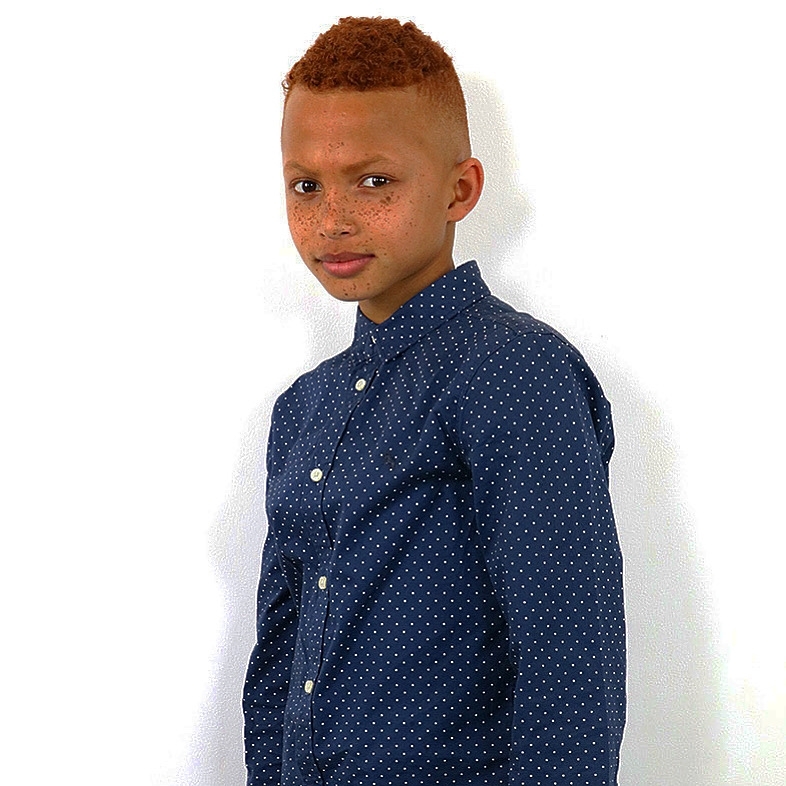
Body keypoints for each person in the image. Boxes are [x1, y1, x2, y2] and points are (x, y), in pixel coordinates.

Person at [243, 17, 626, 786]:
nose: (333, 218)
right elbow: (278, 661)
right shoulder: (302, 410)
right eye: (306, 185)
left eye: (374, 181)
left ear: (461, 189)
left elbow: (570, 664)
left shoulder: (515, 372)